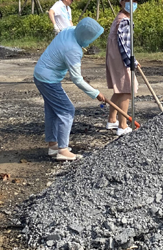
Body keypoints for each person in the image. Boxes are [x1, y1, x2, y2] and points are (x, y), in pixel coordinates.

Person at [33, 18, 107, 161]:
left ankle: (53, 146)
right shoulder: (73, 49)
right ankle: (63, 150)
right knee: (67, 110)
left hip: (40, 74)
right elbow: (77, 79)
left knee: (52, 111)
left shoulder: (69, 30)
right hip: (48, 80)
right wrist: (96, 93)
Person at [105, 0, 140, 136]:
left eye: (135, 1)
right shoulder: (124, 20)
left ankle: (112, 120)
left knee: (119, 90)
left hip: (115, 57)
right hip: (120, 58)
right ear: (121, 2)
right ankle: (123, 125)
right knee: (126, 89)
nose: (133, 3)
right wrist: (132, 61)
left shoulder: (120, 17)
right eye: (129, 0)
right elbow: (124, 45)